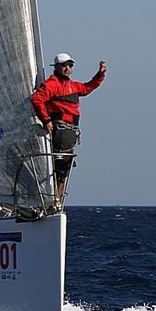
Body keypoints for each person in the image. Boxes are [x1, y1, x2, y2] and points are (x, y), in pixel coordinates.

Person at [31, 52, 107, 202]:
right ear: (57, 67)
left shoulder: (72, 85)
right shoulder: (52, 84)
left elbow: (87, 88)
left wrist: (100, 75)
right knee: (60, 166)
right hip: (60, 129)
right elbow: (37, 99)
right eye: (64, 65)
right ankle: (54, 201)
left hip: (70, 131)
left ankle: (56, 201)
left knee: (64, 167)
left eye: (70, 65)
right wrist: (46, 120)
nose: (67, 68)